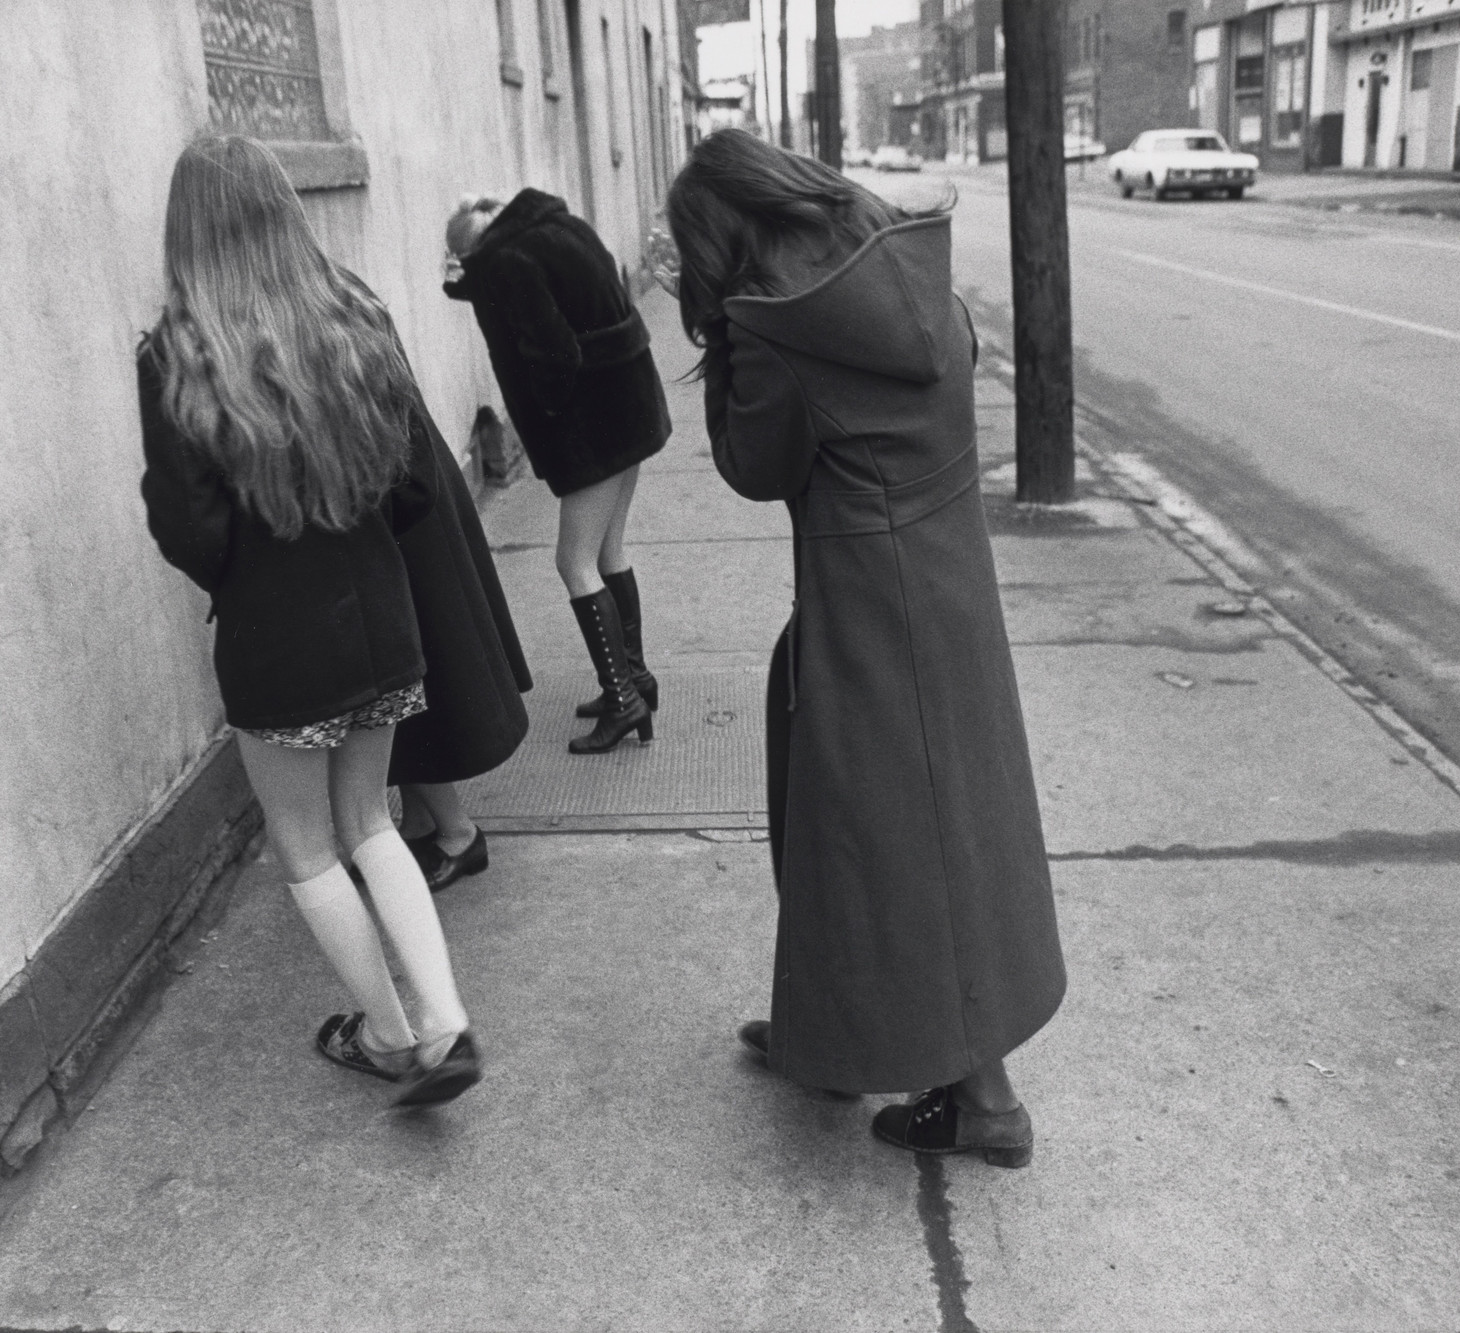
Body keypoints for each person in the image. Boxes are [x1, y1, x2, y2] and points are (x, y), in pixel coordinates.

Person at [664, 130, 1066, 1165]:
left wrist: (720, 333)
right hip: (947, 589)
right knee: (870, 818)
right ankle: (832, 1034)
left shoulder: (776, 332)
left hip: (865, 608)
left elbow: (754, 466)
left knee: (888, 839)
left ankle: (984, 1100)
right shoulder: (901, 265)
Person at [137, 135, 480, 1108]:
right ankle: (447, 1022)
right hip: (381, 615)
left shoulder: (178, 352)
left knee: (307, 848)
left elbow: (188, 528)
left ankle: (386, 1033)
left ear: (186, 232)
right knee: (373, 820)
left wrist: (247, 563)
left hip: (276, 641)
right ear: (287, 210)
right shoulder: (354, 314)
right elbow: (415, 483)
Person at [443, 190, 670, 754]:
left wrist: (545, 415)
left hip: (593, 426)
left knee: (572, 560)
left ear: (474, 251)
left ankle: (623, 700)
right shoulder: (557, 227)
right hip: (631, 405)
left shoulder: (508, 263)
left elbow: (553, 356)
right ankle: (632, 679)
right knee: (608, 549)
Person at [384, 372, 533, 892]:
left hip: (402, 506)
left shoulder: (330, 313)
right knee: (398, 683)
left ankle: (458, 832)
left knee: (410, 685)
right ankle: (422, 822)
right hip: (402, 496)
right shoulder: (334, 303)